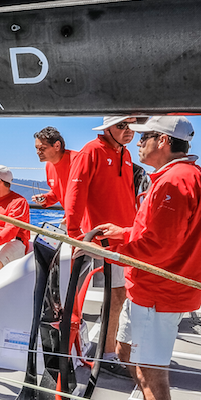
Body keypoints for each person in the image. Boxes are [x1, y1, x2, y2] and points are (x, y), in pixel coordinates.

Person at [93, 116, 201, 400]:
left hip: (158, 293)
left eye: (145, 136)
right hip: (153, 289)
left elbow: (157, 248)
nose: (138, 142)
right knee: (124, 351)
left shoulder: (174, 183)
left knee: (151, 373)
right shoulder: (193, 176)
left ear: (163, 141)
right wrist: (123, 232)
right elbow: (163, 234)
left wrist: (110, 251)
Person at [66, 114, 141, 361]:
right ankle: (106, 354)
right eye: (122, 125)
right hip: (101, 239)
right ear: (108, 128)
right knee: (115, 294)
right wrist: (75, 234)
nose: (129, 131)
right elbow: (75, 192)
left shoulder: (126, 154)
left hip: (123, 239)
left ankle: (106, 349)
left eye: (132, 126)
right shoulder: (91, 151)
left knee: (119, 294)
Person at [32, 126, 75, 232]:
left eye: (42, 148)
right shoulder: (49, 165)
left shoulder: (77, 161)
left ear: (57, 146)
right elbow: (58, 192)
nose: (38, 152)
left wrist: (75, 216)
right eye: (36, 148)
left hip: (86, 218)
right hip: (70, 217)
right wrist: (45, 198)